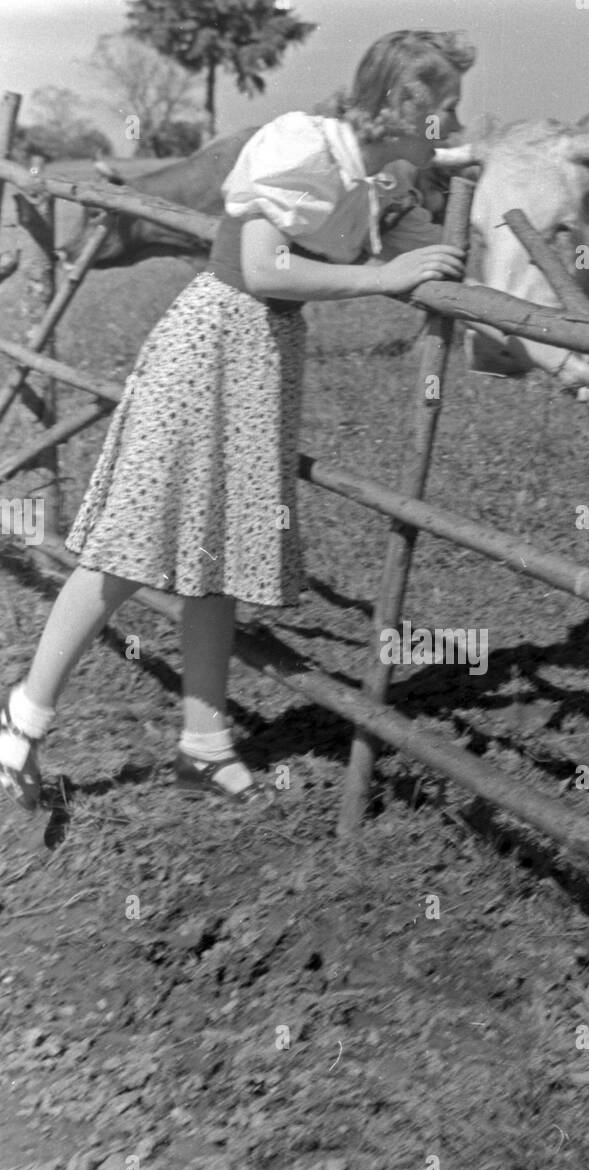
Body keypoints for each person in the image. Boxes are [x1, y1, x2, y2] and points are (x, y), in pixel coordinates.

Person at [0, 30, 472, 812]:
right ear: (402, 103)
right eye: (444, 109)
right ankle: (21, 722)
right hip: (216, 341)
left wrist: (420, 190)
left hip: (263, 354)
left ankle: (205, 745)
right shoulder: (299, 145)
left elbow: (396, 219)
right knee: (129, 543)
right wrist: (379, 273)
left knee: (214, 549)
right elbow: (261, 265)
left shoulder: (367, 166)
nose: (453, 124)